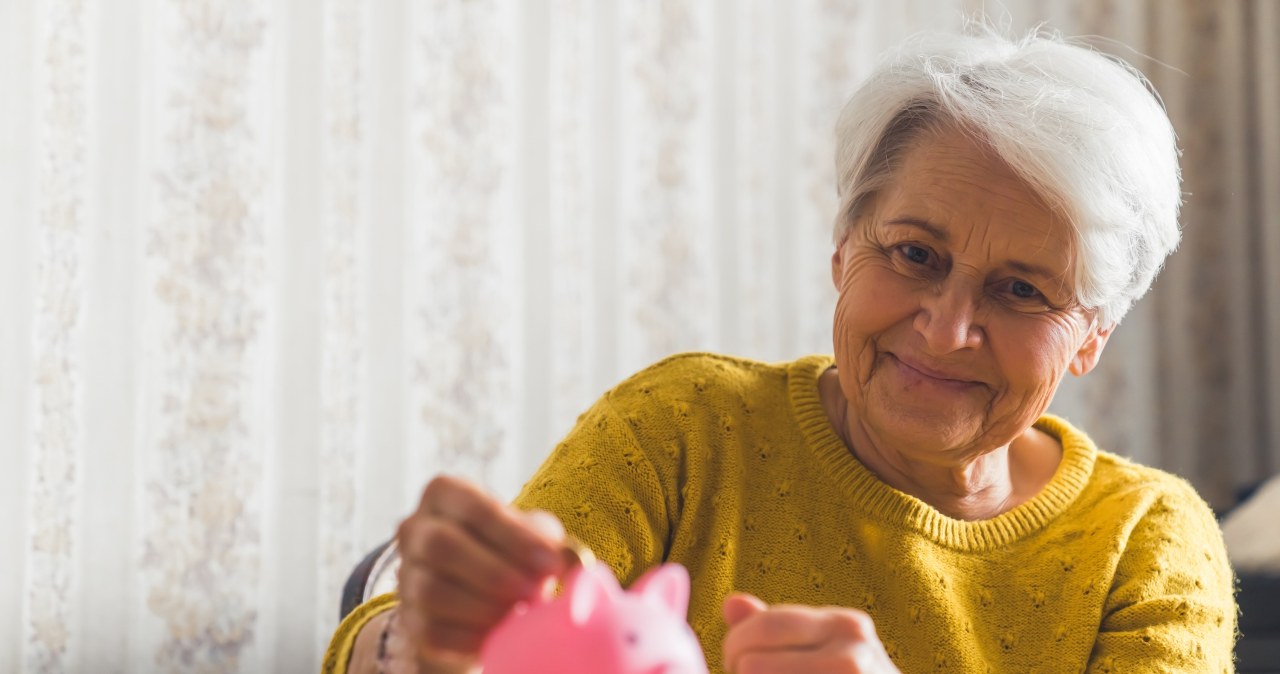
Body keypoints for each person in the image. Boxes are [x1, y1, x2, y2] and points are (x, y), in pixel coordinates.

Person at [323, 27, 1237, 674]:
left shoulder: (1147, 543)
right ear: (844, 250)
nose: (947, 326)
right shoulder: (684, 429)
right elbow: (476, 640)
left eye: (1022, 290)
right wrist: (420, 643)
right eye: (915, 254)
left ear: (1092, 336)